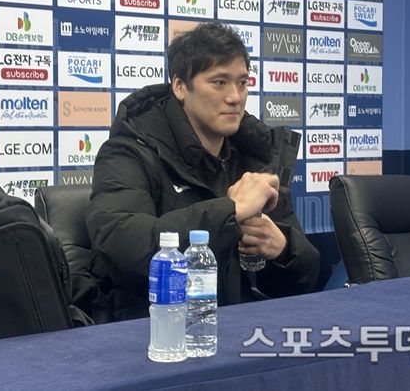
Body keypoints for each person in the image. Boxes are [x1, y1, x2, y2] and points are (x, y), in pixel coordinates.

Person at [86, 22, 320, 322]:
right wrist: (230, 210)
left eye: (242, 82)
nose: (235, 97)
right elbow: (125, 246)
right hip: (152, 329)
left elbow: (309, 279)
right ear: (180, 87)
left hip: (233, 327)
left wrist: (284, 251)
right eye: (219, 82)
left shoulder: (255, 155)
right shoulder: (129, 151)